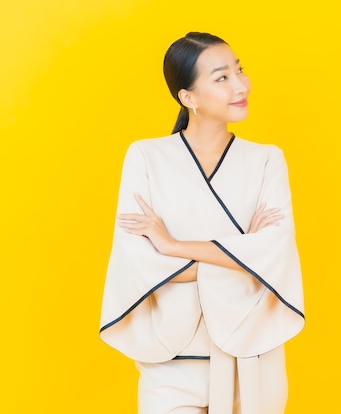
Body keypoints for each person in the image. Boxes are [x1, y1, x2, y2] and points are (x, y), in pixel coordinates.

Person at [99, 32, 305, 414]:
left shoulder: (266, 160)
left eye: (240, 70)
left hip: (254, 352)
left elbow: (276, 255)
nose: (242, 85)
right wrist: (243, 252)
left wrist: (173, 246)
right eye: (222, 77)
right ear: (188, 97)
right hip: (171, 358)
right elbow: (139, 263)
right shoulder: (146, 157)